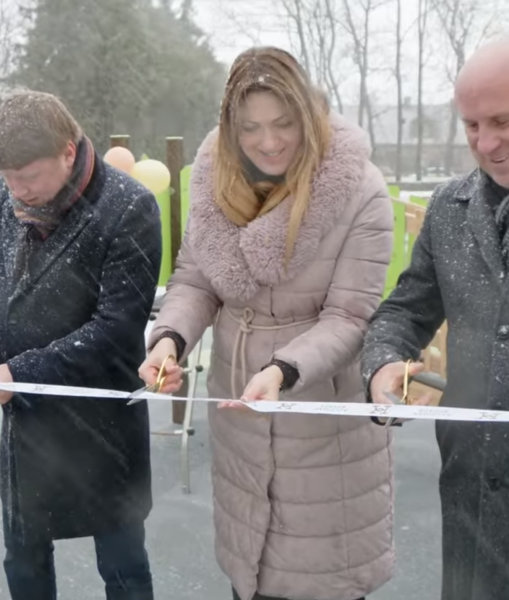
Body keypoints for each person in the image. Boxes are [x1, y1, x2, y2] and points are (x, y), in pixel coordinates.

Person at [139, 47, 394, 600]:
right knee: (249, 572)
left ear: (308, 115)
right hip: (239, 412)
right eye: (250, 127)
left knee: (318, 576)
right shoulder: (214, 184)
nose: (269, 141)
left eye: (283, 123)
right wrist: (169, 340)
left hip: (321, 425)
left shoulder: (358, 189)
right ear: (231, 128)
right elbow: (196, 281)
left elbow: (350, 315)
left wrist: (283, 369)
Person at [0, 91, 161, 600]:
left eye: (28, 177)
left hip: (103, 425)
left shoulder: (129, 207)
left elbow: (117, 329)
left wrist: (21, 372)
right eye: (7, 177)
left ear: (68, 152)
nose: (17, 191)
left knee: (124, 568)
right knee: (23, 564)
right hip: (29, 428)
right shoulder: (3, 195)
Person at [362, 39, 509, 600]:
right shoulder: (449, 209)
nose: (486, 143)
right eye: (472, 125)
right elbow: (404, 310)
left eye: (502, 121)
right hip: (471, 493)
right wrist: (383, 363)